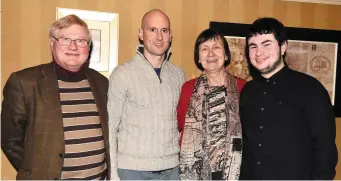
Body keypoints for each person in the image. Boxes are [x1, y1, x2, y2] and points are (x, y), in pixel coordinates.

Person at [1, 15, 109, 180]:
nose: (73, 47)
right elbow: (9, 138)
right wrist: (36, 170)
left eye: (81, 41)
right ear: (52, 43)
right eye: (65, 39)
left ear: (88, 46)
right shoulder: (25, 82)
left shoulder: (102, 83)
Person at [239, 17, 338, 180]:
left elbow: (325, 151)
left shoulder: (311, 89)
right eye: (253, 46)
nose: (259, 53)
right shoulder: (247, 91)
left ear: (283, 46)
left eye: (266, 44)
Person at [108, 9, 185, 180]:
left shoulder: (179, 75)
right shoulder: (122, 74)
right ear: (141, 34)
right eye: (152, 30)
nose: (159, 37)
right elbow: (110, 127)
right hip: (132, 171)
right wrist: (113, 174)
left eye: (164, 30)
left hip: (172, 170)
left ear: (170, 35)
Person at [178, 29, 246, 180]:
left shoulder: (244, 88)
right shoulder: (188, 89)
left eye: (216, 47)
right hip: (197, 172)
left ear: (226, 54)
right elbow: (179, 129)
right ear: (198, 57)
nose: (210, 54)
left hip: (236, 172)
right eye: (204, 49)